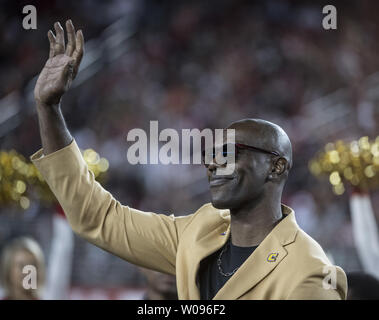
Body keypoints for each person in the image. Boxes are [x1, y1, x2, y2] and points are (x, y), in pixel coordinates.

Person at [31, 20, 347, 300]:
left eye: (229, 154)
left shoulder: (309, 272)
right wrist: (49, 108)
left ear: (276, 167)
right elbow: (98, 218)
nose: (213, 164)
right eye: (212, 153)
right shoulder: (199, 231)